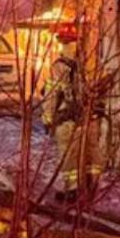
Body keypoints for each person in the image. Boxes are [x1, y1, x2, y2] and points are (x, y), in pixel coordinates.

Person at [41, 32, 101, 200]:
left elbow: (51, 95)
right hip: (90, 118)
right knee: (91, 152)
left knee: (69, 156)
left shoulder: (58, 67)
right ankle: (91, 186)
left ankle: (73, 191)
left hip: (67, 120)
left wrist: (48, 119)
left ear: (63, 45)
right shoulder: (90, 65)